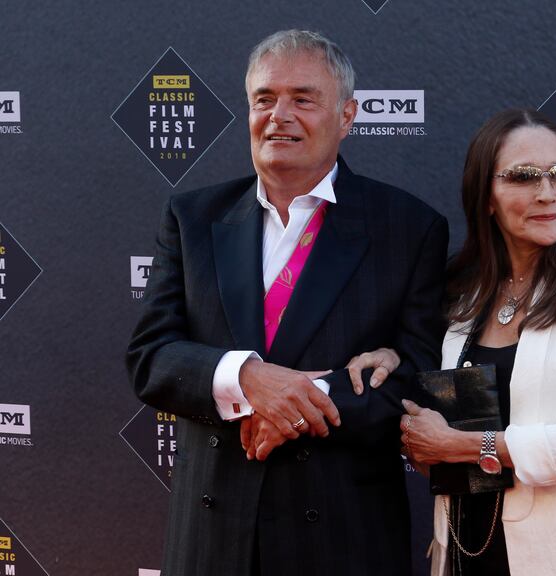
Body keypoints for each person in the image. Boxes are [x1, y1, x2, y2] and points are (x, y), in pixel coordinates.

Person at [126, 29, 448, 576]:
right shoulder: (192, 218)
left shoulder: (408, 227)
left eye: (303, 99)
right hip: (212, 541)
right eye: (265, 99)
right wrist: (248, 378)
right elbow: (151, 358)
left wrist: (300, 403)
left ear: (346, 116)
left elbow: (418, 376)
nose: (280, 115)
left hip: (343, 541)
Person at [361, 109, 556, 575]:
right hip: (468, 549)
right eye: (523, 177)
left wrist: (462, 445)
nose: (547, 193)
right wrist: (392, 356)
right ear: (485, 196)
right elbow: (432, 407)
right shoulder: (463, 290)